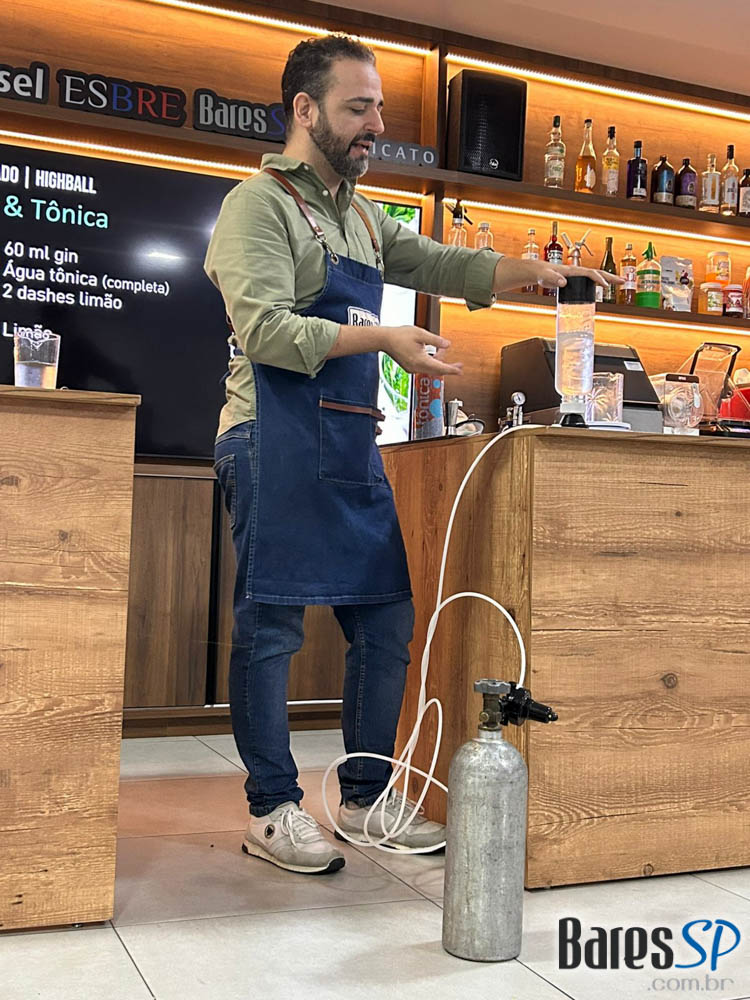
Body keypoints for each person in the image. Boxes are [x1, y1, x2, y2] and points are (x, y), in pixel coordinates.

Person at [204, 34, 617, 876]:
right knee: (271, 628)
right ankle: (273, 808)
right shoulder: (259, 204)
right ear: (305, 110)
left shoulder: (360, 216)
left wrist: (532, 273)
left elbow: (439, 260)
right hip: (268, 436)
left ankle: (366, 797)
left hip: (348, 440)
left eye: (379, 108)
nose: (377, 125)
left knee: (386, 620)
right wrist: (385, 337)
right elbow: (268, 330)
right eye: (358, 108)